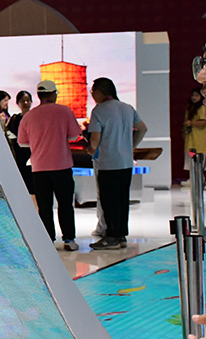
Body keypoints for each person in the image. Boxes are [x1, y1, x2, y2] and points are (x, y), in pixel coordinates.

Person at [17, 80, 81, 251]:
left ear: (38, 95)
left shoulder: (29, 116)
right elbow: (74, 136)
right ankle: (69, 239)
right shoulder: (64, 111)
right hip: (62, 165)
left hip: (39, 167)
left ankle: (48, 241)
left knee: (44, 206)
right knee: (65, 204)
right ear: (54, 94)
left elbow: (22, 142)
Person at [86, 77, 148, 250]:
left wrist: (90, 150)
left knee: (109, 201)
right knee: (122, 199)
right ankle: (121, 235)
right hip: (126, 162)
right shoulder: (127, 108)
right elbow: (142, 128)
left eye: (93, 92)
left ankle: (111, 237)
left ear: (100, 92)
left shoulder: (99, 110)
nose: (92, 95)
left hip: (108, 163)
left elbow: (95, 141)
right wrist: (131, 146)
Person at [6, 91, 35, 198]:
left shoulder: (35, 118)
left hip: (34, 154)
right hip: (19, 155)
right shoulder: (15, 119)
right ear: (18, 103)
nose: (26, 103)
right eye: (23, 101)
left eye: (28, 100)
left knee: (33, 185)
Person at [183, 87, 206, 186]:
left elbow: (203, 122)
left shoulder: (202, 108)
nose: (194, 97)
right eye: (193, 95)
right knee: (191, 158)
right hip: (190, 138)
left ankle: (200, 179)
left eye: (197, 95)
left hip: (199, 139)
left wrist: (192, 123)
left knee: (199, 159)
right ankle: (193, 179)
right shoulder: (190, 108)